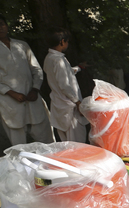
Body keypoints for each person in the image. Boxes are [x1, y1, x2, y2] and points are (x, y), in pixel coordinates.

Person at [0, 16, 54, 146]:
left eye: (1, 24)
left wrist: (35, 89)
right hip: (9, 101)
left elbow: (36, 69)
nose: (0, 28)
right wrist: (11, 93)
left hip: (32, 98)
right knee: (19, 146)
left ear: (7, 25)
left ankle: (54, 165)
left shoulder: (21, 45)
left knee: (47, 140)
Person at [43, 27, 87, 142]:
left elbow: (64, 73)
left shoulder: (49, 58)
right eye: (67, 41)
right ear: (62, 42)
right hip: (69, 106)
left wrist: (79, 68)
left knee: (66, 142)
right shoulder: (58, 60)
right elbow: (64, 85)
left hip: (59, 104)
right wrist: (78, 102)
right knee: (77, 141)